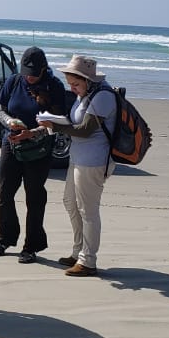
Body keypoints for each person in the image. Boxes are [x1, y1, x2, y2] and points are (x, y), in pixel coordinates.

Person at [38, 55, 117, 277]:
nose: (72, 89)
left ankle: (88, 261)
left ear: (87, 80)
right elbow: (75, 123)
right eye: (70, 85)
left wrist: (55, 125)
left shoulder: (102, 96)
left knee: (88, 210)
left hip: (94, 161)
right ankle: (78, 251)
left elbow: (85, 130)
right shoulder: (88, 94)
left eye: (75, 84)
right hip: (78, 157)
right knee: (70, 203)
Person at [0, 47, 68, 263]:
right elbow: (0, 109)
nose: (30, 76)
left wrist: (32, 133)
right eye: (27, 71)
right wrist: (10, 122)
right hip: (12, 142)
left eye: (34, 72)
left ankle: (31, 246)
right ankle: (5, 238)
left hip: (39, 148)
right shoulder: (14, 82)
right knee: (5, 193)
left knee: (34, 196)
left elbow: (58, 123)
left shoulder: (54, 87)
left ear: (44, 69)